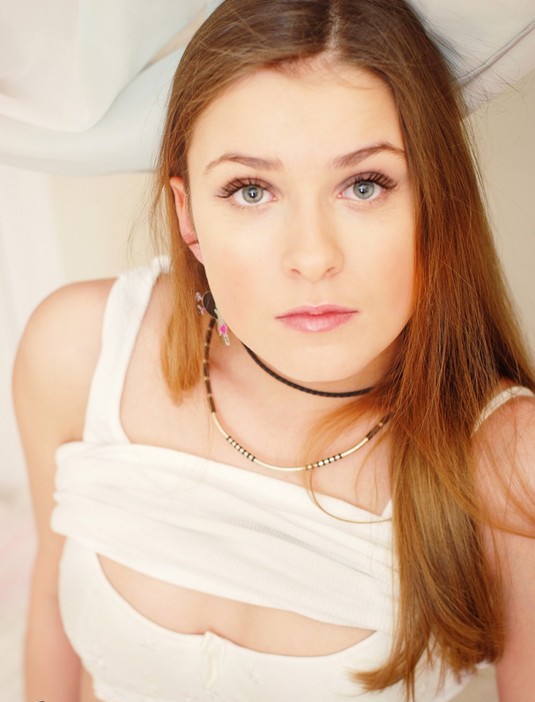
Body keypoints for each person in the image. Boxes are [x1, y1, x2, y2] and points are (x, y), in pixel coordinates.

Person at [12, 0, 535, 700]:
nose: (312, 256)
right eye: (251, 190)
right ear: (188, 214)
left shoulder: (508, 459)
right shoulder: (79, 349)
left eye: (363, 185)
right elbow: (50, 606)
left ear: (434, 201)